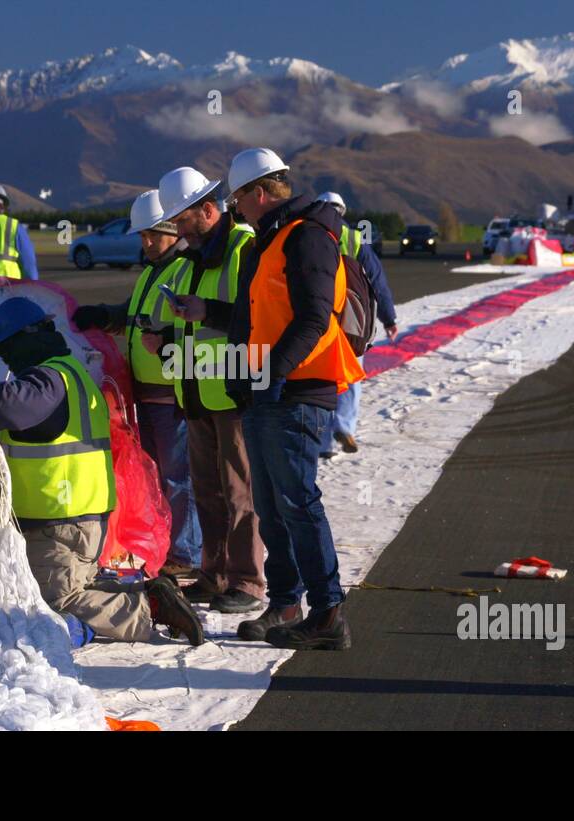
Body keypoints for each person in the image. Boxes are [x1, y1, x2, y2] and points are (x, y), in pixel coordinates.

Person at [173, 148, 365, 650]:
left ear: (258, 193)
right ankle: (285, 602)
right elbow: (251, 316)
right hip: (265, 388)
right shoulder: (270, 241)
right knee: (271, 503)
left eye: (237, 199)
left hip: (298, 390)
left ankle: (328, 613)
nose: (234, 209)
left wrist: (271, 373)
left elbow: (314, 319)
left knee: (298, 501)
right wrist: (243, 374)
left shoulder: (307, 238)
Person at [0, 297, 203, 645]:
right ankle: (147, 589)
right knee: (71, 582)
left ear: (27, 338)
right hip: (80, 517)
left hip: (61, 520)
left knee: (55, 601)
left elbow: (10, 406)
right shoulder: (72, 371)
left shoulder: (48, 380)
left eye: (7, 349)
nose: (6, 359)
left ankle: (149, 607)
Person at [151, 166, 265, 615]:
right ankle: (214, 574)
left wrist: (207, 311)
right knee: (208, 490)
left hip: (233, 390)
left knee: (239, 492)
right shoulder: (191, 260)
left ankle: (248, 581)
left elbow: (256, 314)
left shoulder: (243, 248)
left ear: (209, 209)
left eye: (183, 221)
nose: (178, 230)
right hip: (197, 391)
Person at [71, 190, 202, 577]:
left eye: (152, 235)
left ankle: (186, 554)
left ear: (172, 230)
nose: (145, 244)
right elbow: (133, 313)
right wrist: (102, 316)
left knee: (179, 478)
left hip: (171, 392)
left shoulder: (182, 270)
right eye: (141, 236)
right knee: (157, 477)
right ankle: (167, 543)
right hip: (145, 392)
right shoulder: (151, 272)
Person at [314, 192, 399, 457]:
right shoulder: (355, 240)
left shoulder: (308, 238)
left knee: (322, 381)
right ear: (343, 212)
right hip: (353, 321)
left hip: (319, 320)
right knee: (351, 376)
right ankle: (345, 425)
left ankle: (324, 442)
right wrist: (389, 318)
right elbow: (377, 282)